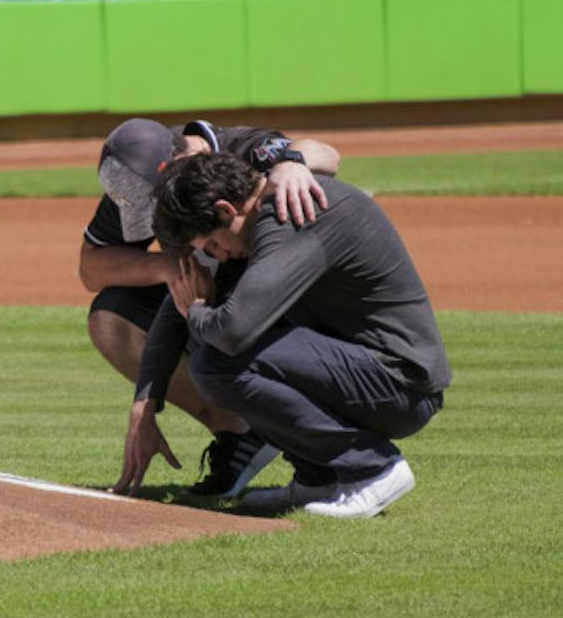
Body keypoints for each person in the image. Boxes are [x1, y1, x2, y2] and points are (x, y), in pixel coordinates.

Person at [117, 150, 449, 518]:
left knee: (218, 362)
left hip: (399, 383)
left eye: (211, 245)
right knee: (210, 344)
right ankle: (318, 478)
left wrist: (196, 310)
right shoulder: (261, 220)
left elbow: (232, 333)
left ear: (227, 211)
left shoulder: (290, 215)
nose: (218, 256)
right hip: (372, 373)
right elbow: (186, 316)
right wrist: (147, 401)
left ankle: (373, 468)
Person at [82, 117, 341, 497]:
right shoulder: (138, 178)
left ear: (178, 163)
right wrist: (168, 267)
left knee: (236, 325)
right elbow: (91, 267)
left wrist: (292, 162)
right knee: (111, 316)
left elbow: (328, 154)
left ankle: (324, 445)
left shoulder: (242, 148)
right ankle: (240, 433)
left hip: (287, 302)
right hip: (219, 301)